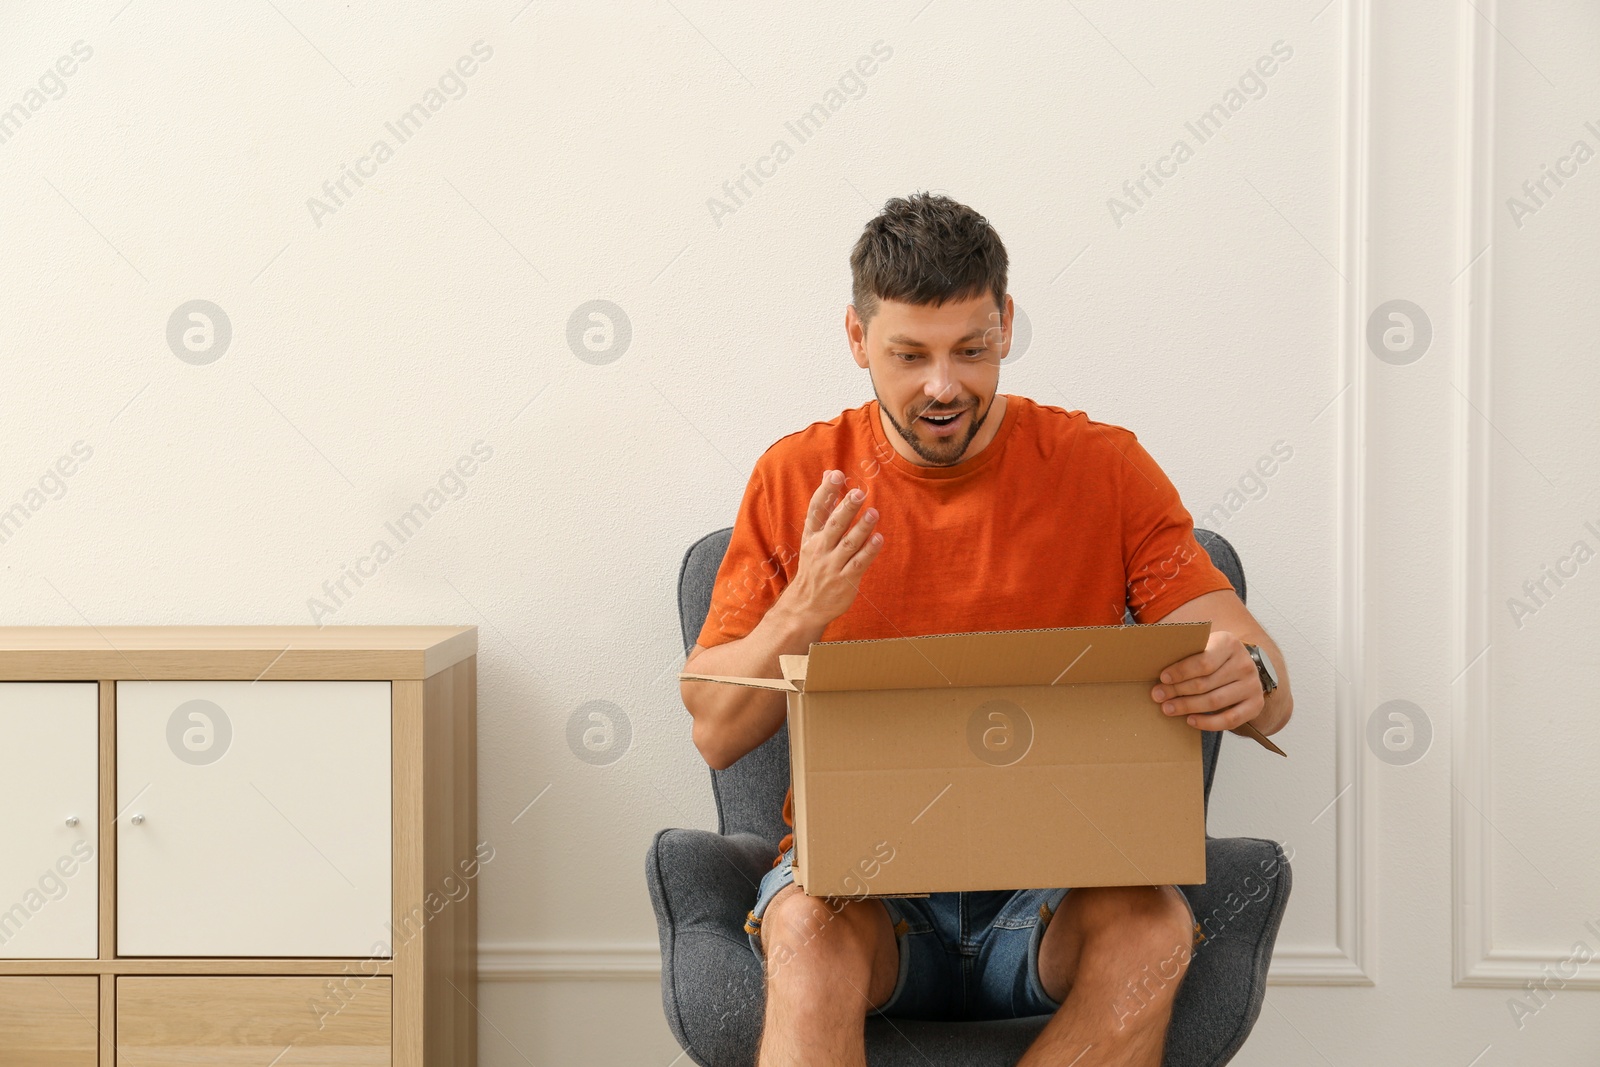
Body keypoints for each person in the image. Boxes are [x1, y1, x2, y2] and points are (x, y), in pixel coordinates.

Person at [679, 191, 1293, 1067]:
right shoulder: (798, 477)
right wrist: (805, 607)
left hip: (1056, 889)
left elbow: (1263, 677)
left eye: (972, 349)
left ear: (1005, 323)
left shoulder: (1102, 468)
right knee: (807, 932)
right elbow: (714, 728)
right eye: (909, 354)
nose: (944, 385)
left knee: (1153, 926)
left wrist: (1253, 679)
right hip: (864, 892)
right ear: (857, 341)